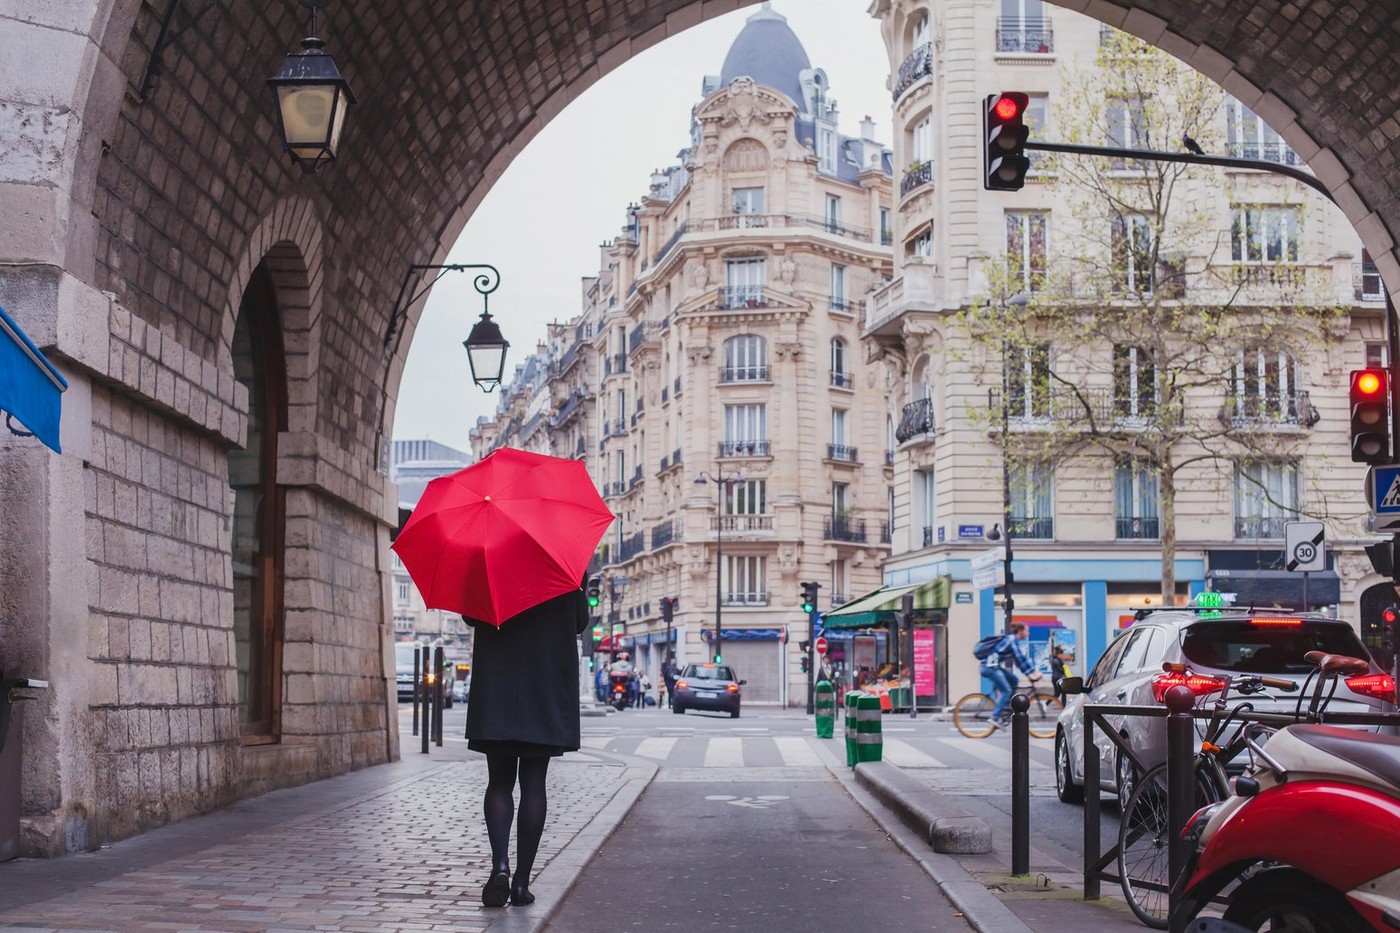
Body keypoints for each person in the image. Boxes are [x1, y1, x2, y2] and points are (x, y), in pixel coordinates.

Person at [464, 579, 589, 908]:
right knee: (534, 783)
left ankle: (500, 865)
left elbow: (470, 616)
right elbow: (580, 622)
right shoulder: (564, 559)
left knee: (499, 782)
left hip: (499, 681)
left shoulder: (488, 553)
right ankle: (521, 884)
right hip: (543, 683)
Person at [980, 622, 1042, 728]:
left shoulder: (1012, 640)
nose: (1028, 633)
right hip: (989, 668)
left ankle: (1006, 708)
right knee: (1006, 690)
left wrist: (1030, 673)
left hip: (994, 667)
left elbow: (1018, 662)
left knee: (1014, 680)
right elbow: (1020, 658)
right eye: (1027, 631)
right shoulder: (1012, 640)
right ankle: (995, 717)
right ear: (1020, 631)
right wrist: (1031, 673)